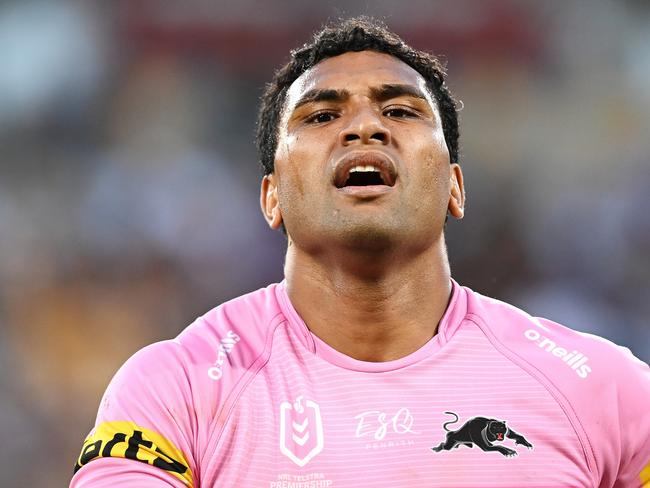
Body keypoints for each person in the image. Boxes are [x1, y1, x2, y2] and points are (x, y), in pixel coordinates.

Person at [71, 17, 650, 487]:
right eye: (322, 116)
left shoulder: (605, 390)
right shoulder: (177, 391)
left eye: (400, 111)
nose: (365, 127)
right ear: (272, 198)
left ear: (455, 187)